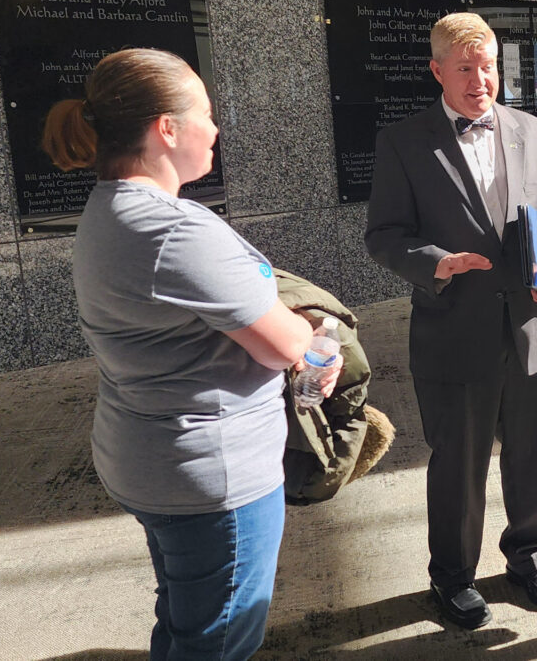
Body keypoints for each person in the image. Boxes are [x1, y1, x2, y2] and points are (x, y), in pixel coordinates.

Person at [42, 48, 339, 660]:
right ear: (167, 128)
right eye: (205, 111)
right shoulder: (175, 228)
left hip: (149, 456)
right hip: (211, 476)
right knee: (222, 636)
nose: (216, 128)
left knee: (188, 615)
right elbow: (285, 344)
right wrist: (314, 337)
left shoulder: (109, 208)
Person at [365, 12, 537, 629]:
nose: (480, 79)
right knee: (459, 463)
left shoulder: (534, 131)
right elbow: (384, 236)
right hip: (452, 330)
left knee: (531, 456)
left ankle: (528, 556)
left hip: (528, 325)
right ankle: (453, 576)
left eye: (488, 65)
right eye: (465, 68)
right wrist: (436, 262)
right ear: (437, 70)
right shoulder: (404, 141)